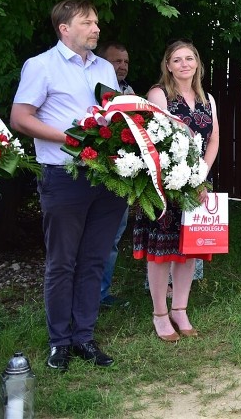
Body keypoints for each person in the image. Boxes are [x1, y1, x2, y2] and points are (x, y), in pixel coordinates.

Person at [11, 0, 128, 370]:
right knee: (62, 262)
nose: (96, 28)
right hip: (63, 175)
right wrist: (70, 138)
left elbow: (114, 117)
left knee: (94, 259)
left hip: (106, 176)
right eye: (88, 22)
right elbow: (20, 117)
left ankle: (84, 338)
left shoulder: (106, 69)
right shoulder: (41, 65)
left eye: (96, 22)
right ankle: (59, 342)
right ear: (65, 28)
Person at [132, 40, 220, 341]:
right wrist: (178, 177)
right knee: (162, 252)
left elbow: (214, 141)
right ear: (168, 65)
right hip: (165, 185)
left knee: (189, 249)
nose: (184, 64)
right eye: (177, 60)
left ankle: (180, 309)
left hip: (197, 184)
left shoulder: (207, 98)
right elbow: (151, 140)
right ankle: (160, 313)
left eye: (189, 58)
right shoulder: (159, 94)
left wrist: (200, 177)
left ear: (197, 63)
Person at [95, 42, 135, 308]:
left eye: (125, 62)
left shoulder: (130, 93)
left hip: (121, 175)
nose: (121, 66)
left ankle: (101, 294)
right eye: (116, 61)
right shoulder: (93, 91)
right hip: (95, 173)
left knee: (114, 235)